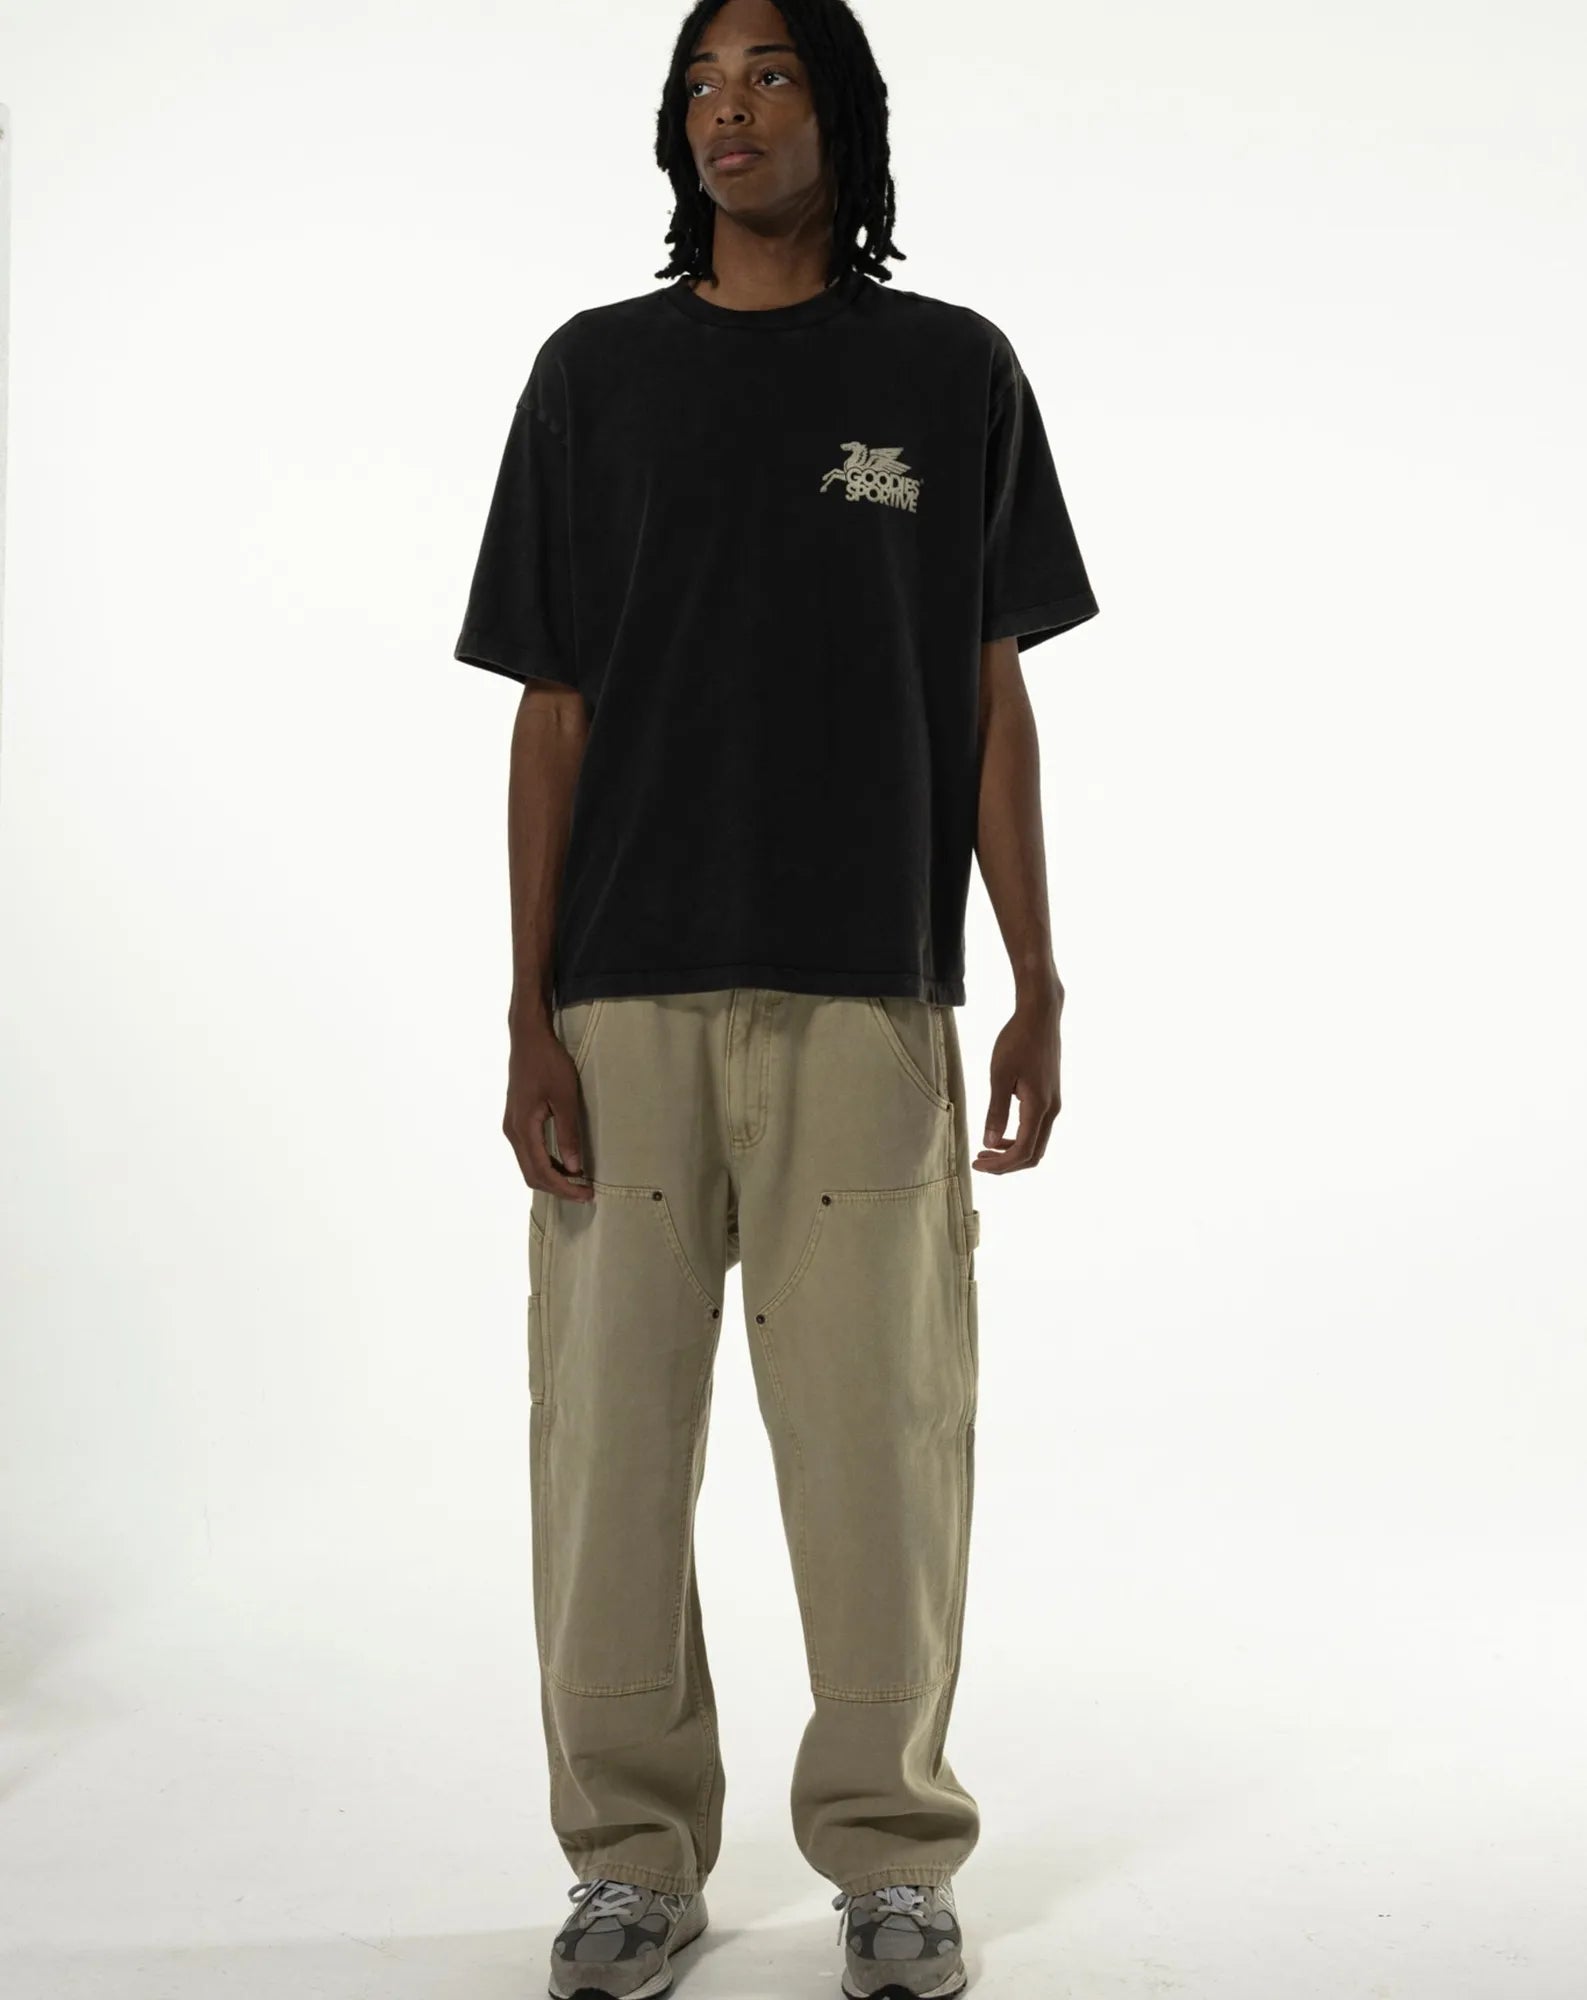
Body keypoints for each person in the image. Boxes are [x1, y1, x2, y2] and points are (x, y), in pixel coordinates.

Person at [453, 2, 1098, 1993]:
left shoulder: (948, 372)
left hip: (865, 997)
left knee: (880, 1445)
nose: (726, 110)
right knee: (608, 1458)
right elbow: (552, 709)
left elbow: (990, 690)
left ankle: (892, 1858)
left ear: (843, 114)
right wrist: (528, 1008)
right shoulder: (594, 375)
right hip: (624, 999)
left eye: (769, 76)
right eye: (699, 84)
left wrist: (1033, 977)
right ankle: (631, 1860)